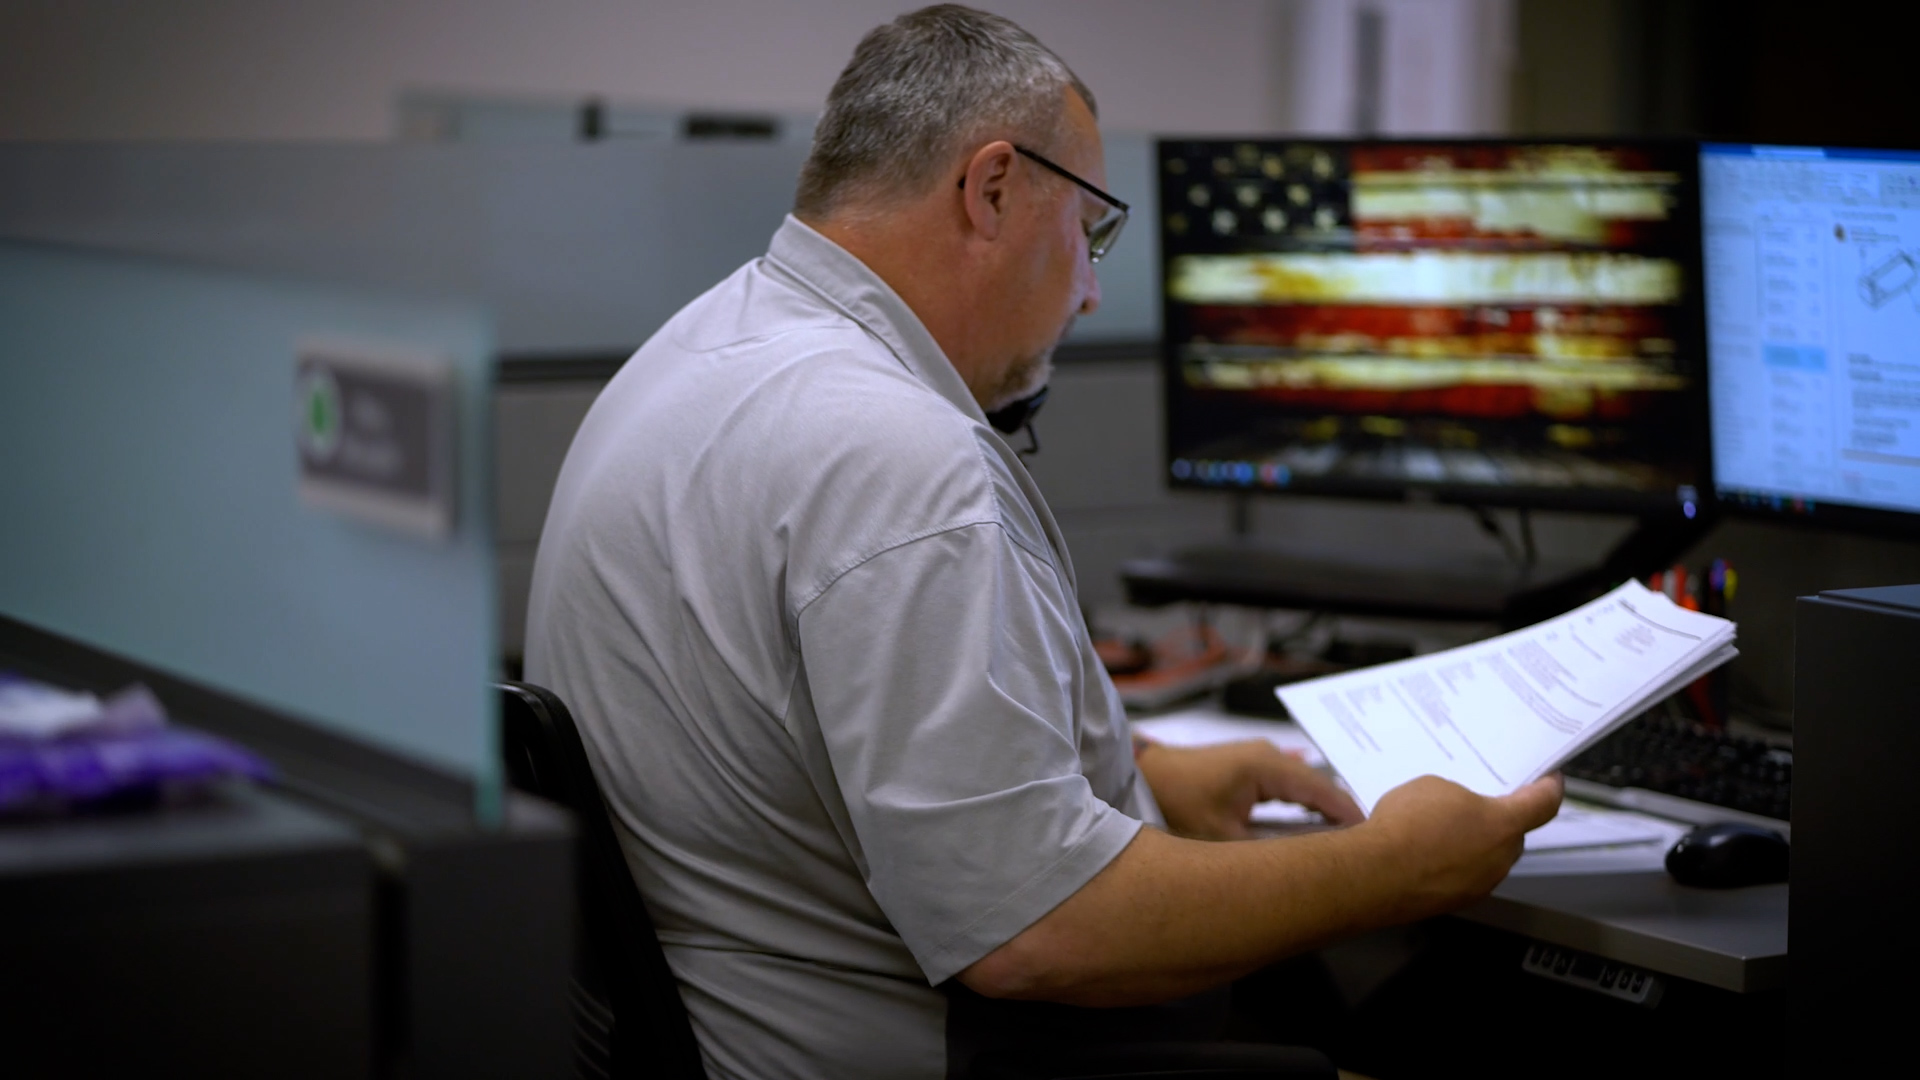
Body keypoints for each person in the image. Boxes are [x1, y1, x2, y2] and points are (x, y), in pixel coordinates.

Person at [524, 6, 1563, 1078]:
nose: (1091, 288)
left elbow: (800, 724)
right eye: (1091, 229)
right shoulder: (896, 455)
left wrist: (1150, 772)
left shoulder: (702, 351)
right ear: (993, 190)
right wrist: (1397, 868)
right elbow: (1041, 935)